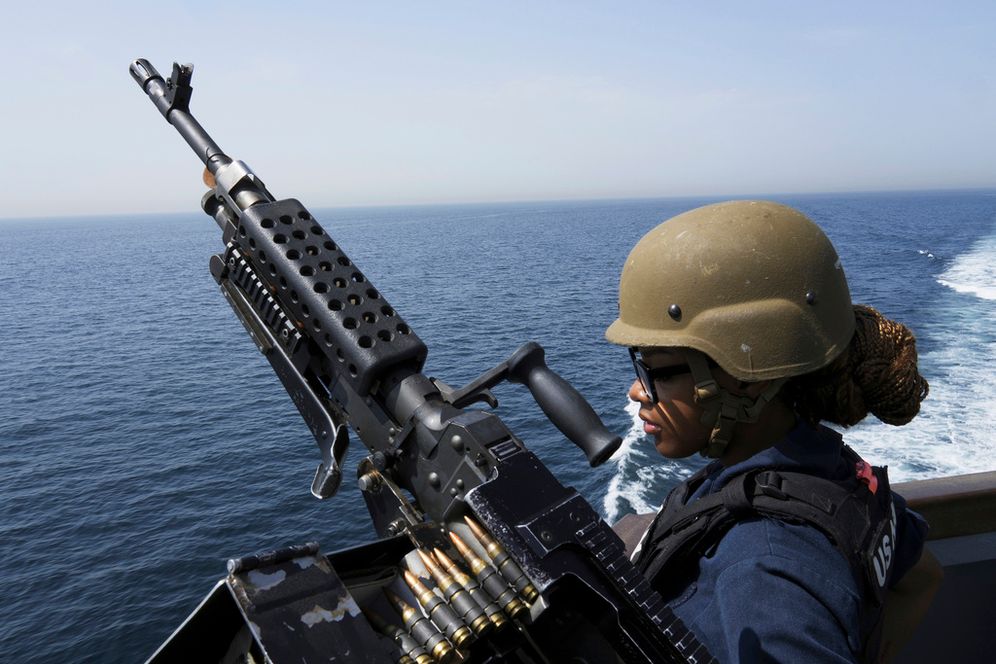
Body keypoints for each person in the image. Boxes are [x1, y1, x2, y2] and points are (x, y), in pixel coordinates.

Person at [605, 201, 943, 663]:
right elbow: (922, 577)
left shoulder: (765, 569)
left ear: (748, 376)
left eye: (658, 372)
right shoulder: (835, 474)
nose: (637, 391)